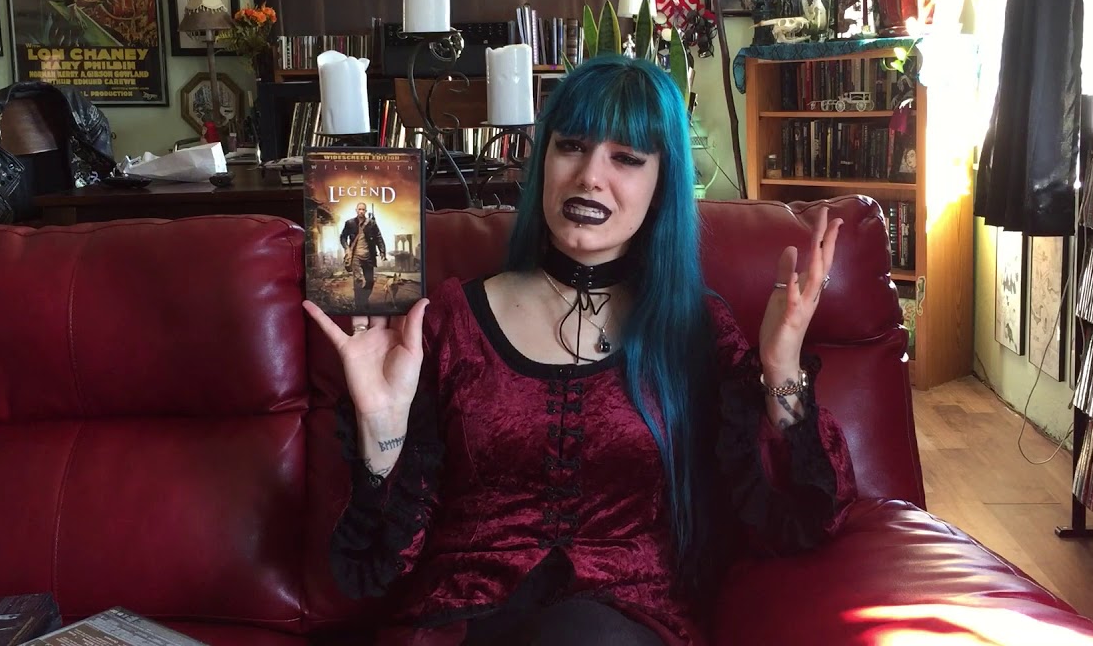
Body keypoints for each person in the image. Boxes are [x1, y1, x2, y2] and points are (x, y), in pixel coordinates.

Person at [304, 55, 856, 645]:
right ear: (544, 162)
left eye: (626, 158)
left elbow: (800, 515)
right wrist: (383, 431)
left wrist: (779, 367)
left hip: (622, 620)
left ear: (662, 184)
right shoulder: (448, 321)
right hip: (462, 621)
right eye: (571, 146)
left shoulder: (695, 328)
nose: (590, 176)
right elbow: (379, 565)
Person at [339, 203, 387, 311]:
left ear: (365, 211)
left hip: (369, 256)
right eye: (359, 209)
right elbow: (343, 237)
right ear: (356, 210)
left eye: (363, 209)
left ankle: (363, 300)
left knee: (370, 281)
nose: (361, 211)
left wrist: (382, 251)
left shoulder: (372, 224)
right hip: (355, 256)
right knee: (358, 280)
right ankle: (359, 305)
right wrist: (346, 248)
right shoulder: (350, 223)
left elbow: (378, 237)